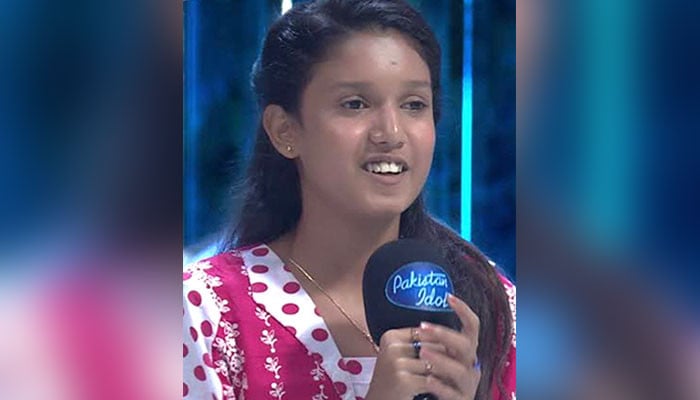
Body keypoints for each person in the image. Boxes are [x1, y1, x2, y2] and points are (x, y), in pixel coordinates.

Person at [183, 0, 515, 399]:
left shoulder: (492, 301)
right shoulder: (206, 309)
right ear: (285, 130)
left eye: (414, 105)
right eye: (355, 104)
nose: (391, 133)